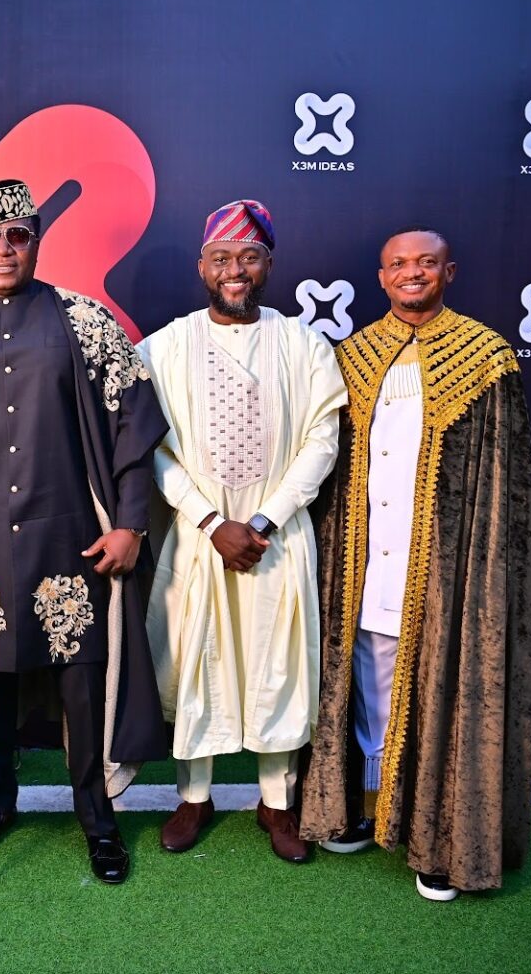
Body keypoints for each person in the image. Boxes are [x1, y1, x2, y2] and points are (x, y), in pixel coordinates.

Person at [0, 179, 168, 885]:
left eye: (17, 235)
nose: (3, 249)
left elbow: (133, 434)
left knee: (82, 677)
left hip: (69, 536)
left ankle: (97, 816)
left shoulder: (87, 322)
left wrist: (131, 524)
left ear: (37, 239)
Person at [299, 228, 531, 902]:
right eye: (399, 264)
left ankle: (441, 841)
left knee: (444, 688)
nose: (413, 273)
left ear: (448, 272)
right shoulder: (354, 356)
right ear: (381, 278)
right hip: (366, 558)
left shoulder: (485, 356)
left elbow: (504, 481)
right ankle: (369, 808)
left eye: (426, 263)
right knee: (368, 684)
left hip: (445, 565)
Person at [137, 199, 345, 863]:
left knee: (276, 663)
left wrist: (260, 521)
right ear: (201, 266)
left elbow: (322, 440)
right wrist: (211, 521)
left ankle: (278, 803)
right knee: (196, 659)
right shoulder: (163, 348)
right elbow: (152, 450)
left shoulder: (304, 344)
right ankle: (193, 797)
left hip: (274, 537)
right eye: (222, 258)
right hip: (200, 535)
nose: (236, 270)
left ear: (268, 265)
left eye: (249, 257)